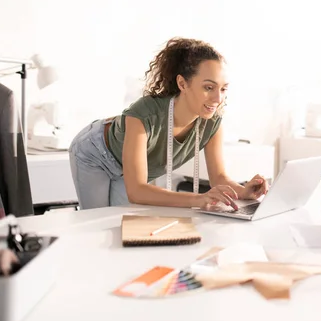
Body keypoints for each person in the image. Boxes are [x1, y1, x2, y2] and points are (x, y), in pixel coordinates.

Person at [68, 37, 269, 210]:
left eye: (223, 89)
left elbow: (218, 177)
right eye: (209, 87)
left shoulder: (212, 123)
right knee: (96, 224)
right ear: (182, 84)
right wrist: (199, 199)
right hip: (95, 153)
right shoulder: (144, 115)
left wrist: (244, 192)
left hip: (128, 170)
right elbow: (137, 191)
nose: (218, 98)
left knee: (121, 225)